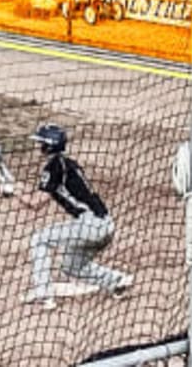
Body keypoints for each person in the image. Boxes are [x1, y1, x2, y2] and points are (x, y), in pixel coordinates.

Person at [8, 124, 132, 309]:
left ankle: (44, 295)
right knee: (72, 266)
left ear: (48, 146)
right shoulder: (68, 164)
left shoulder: (53, 167)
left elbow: (35, 204)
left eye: (40, 143)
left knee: (39, 240)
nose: (38, 146)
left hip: (88, 226)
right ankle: (116, 281)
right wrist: (17, 188)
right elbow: (43, 192)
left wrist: (13, 191)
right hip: (105, 226)